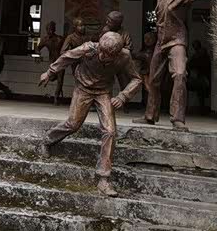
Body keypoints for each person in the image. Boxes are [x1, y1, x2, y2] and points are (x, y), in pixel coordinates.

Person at [39, 32, 144, 197]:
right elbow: (66, 57)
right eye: (101, 51)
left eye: (107, 55)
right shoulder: (88, 48)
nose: (102, 56)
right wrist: (50, 72)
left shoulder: (124, 56)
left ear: (116, 54)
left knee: (110, 131)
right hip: (83, 88)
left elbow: (136, 79)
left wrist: (123, 96)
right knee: (73, 124)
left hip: (104, 92)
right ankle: (47, 140)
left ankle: (104, 179)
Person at [133, 0, 217, 131]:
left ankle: (177, 119)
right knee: (153, 80)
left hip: (177, 40)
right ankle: (150, 116)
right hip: (161, 41)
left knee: (180, 75)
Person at [52, 18, 87, 104]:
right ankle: (78, 102)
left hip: (86, 63)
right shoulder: (70, 38)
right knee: (79, 82)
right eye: (80, 25)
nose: (83, 27)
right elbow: (62, 51)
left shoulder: (86, 37)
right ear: (75, 27)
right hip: (76, 62)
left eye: (84, 25)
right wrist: (74, 53)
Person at [37, 21, 65, 103]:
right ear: (46, 30)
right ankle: (58, 88)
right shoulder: (45, 40)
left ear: (54, 29)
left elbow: (66, 47)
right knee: (52, 78)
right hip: (52, 61)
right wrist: (38, 54)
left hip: (60, 61)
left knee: (60, 80)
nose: (51, 31)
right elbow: (38, 48)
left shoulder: (60, 39)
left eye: (52, 29)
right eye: (49, 29)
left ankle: (56, 97)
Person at [188, 40, 212, 111]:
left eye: (195, 45)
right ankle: (202, 108)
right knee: (201, 93)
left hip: (204, 76)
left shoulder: (200, 54)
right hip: (201, 76)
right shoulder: (198, 54)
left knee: (201, 93)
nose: (195, 47)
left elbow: (192, 64)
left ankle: (202, 108)